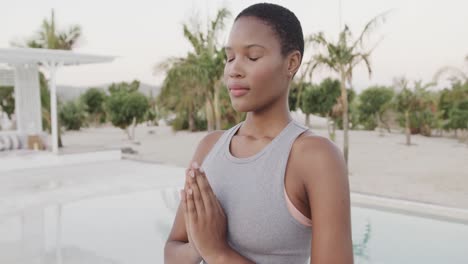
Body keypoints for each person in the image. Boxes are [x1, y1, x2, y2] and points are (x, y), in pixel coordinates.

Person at [164, 3, 353, 263]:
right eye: (229, 57)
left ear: (291, 63)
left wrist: (218, 253)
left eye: (252, 57)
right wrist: (199, 245)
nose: (234, 69)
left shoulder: (314, 157)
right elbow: (173, 249)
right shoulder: (210, 147)